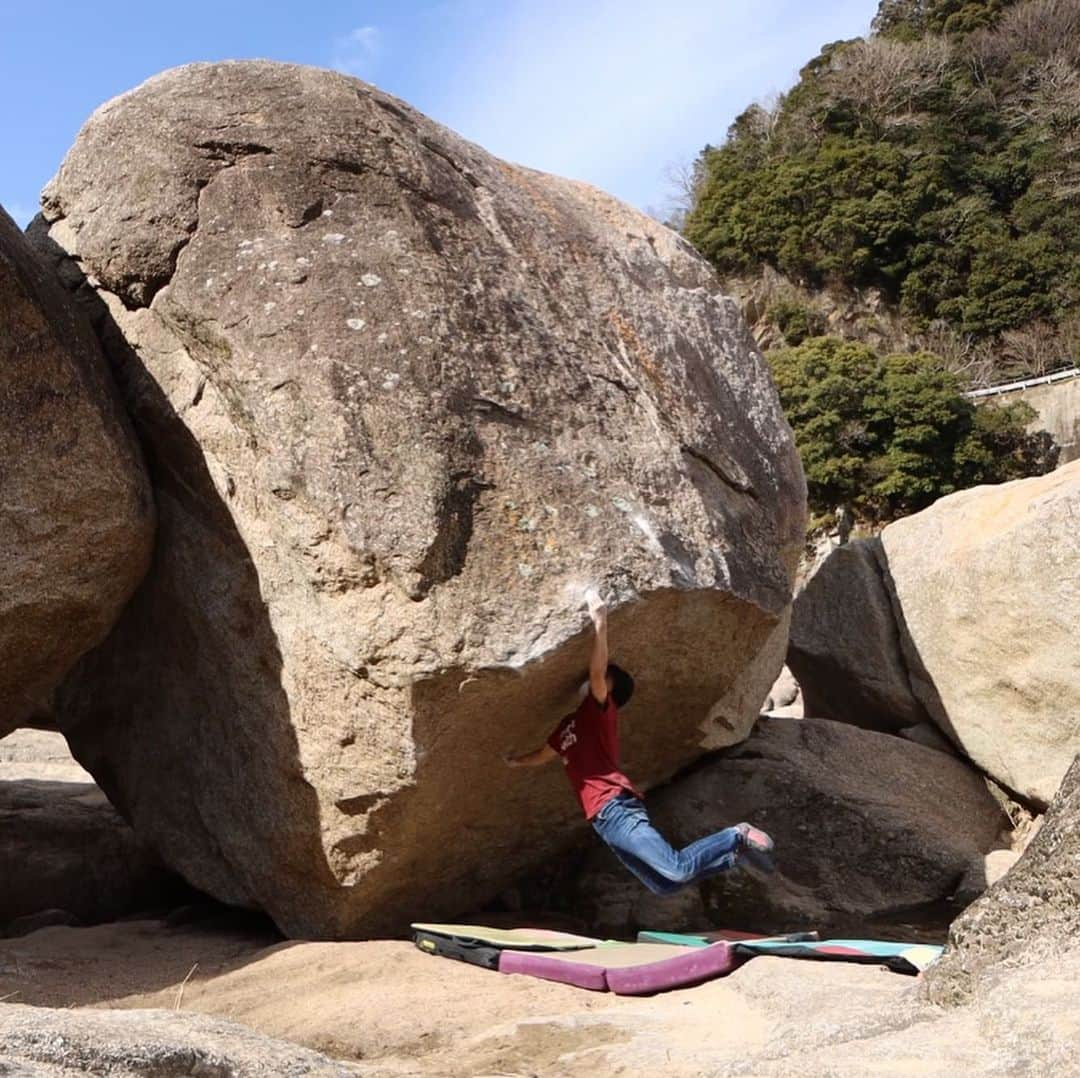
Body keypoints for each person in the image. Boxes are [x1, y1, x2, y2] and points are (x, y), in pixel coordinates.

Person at [506, 591, 774, 895]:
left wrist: (600, 620)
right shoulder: (568, 725)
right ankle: (732, 858)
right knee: (663, 885)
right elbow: (543, 754)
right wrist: (512, 761)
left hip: (616, 807)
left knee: (676, 868)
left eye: (606, 680)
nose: (599, 679)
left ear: (609, 693)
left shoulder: (599, 714)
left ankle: (735, 835)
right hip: (603, 821)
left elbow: (596, 671)